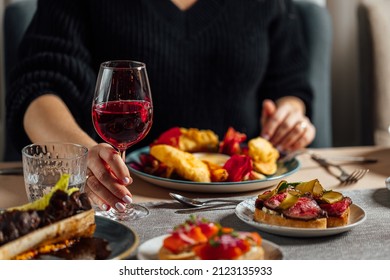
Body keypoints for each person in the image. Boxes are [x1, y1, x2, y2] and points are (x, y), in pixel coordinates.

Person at [6, 0, 316, 212]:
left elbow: (290, 84)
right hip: (111, 190)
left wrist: (292, 113)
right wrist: (82, 157)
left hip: (243, 196)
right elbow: (38, 86)